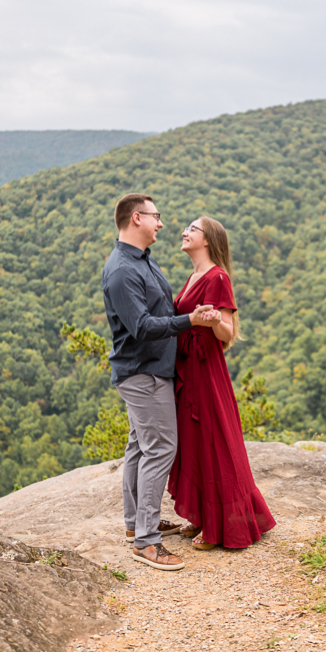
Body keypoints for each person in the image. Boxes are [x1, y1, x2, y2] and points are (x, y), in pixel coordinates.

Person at [101, 194, 221, 571]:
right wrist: (191, 322)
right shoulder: (122, 270)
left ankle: (135, 525)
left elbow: (160, 311)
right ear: (137, 218)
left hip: (150, 370)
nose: (162, 224)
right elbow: (141, 328)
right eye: (156, 217)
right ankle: (147, 541)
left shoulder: (141, 261)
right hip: (144, 372)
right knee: (160, 449)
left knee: (140, 446)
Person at [167, 216, 276, 550]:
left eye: (192, 230)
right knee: (194, 439)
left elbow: (227, 333)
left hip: (205, 369)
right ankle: (201, 514)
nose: (185, 233)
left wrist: (214, 320)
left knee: (214, 439)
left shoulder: (218, 277)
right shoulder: (194, 276)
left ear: (208, 241)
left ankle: (220, 526)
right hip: (187, 367)